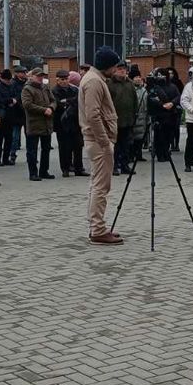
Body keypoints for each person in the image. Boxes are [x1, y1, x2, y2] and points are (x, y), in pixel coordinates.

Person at [80, 48, 122, 245]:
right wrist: (105, 141)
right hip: (98, 142)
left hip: (97, 140)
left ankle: (97, 226)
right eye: (114, 66)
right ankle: (98, 229)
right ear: (107, 65)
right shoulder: (94, 81)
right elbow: (93, 115)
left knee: (97, 184)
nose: (116, 70)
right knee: (101, 186)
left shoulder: (94, 78)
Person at [20, 67, 56, 180]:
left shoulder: (45, 87)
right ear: (32, 77)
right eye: (38, 76)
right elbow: (27, 105)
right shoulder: (27, 89)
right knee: (32, 150)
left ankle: (44, 171)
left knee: (46, 149)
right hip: (34, 124)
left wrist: (51, 108)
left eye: (42, 76)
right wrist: (43, 110)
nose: (40, 78)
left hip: (47, 124)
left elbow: (53, 100)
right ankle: (33, 173)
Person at [52, 70, 85, 177]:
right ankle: (65, 169)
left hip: (75, 122)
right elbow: (58, 104)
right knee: (64, 148)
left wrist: (67, 101)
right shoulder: (54, 91)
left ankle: (79, 168)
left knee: (78, 146)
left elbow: (78, 101)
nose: (64, 81)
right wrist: (69, 102)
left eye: (66, 79)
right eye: (62, 79)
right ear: (57, 80)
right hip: (62, 123)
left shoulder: (74, 89)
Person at [108, 64, 137, 176]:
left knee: (126, 145)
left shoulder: (130, 83)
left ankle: (125, 166)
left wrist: (134, 114)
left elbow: (134, 100)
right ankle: (114, 166)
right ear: (114, 70)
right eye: (120, 69)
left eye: (124, 69)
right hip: (115, 120)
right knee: (115, 145)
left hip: (128, 119)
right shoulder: (110, 84)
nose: (122, 71)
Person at [148, 68, 181, 162]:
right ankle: (160, 154)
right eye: (159, 75)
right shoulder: (155, 87)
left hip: (171, 115)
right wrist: (162, 105)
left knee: (169, 135)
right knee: (159, 136)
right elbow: (152, 99)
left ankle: (166, 152)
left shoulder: (173, 86)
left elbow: (178, 96)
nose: (161, 77)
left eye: (163, 75)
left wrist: (172, 103)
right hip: (159, 115)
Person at [0, 69, 22, 165]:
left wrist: (14, 100)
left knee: (9, 138)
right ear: (2, 79)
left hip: (11, 115)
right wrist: (10, 101)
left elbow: (17, 95)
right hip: (2, 116)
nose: (8, 81)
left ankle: (6, 158)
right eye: (6, 80)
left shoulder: (11, 86)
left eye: (9, 80)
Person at [131, 68, 150, 166]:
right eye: (135, 77)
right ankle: (131, 155)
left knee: (141, 136)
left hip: (143, 115)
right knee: (133, 137)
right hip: (134, 115)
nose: (138, 79)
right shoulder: (131, 89)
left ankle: (139, 154)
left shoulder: (144, 90)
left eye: (139, 77)